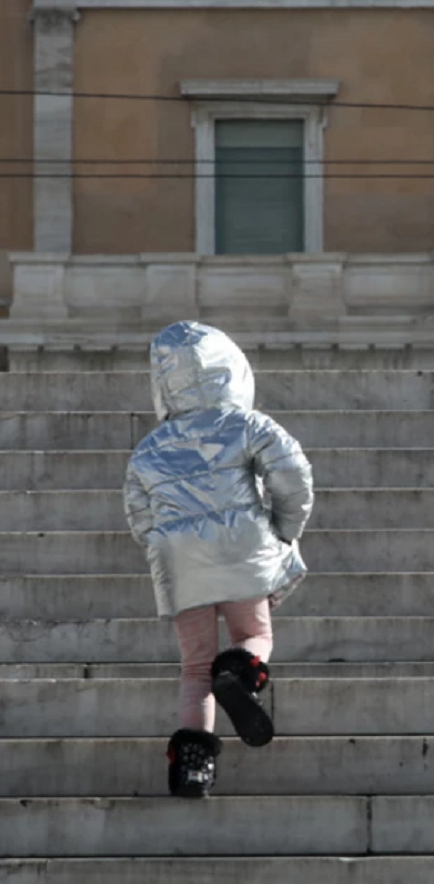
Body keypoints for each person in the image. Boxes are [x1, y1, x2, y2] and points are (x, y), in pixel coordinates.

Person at [124, 321, 314, 798]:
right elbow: (293, 475)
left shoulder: (149, 447)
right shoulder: (246, 425)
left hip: (178, 561)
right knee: (253, 632)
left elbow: (138, 515)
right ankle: (242, 670)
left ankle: (193, 765)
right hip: (241, 545)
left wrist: (164, 548)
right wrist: (284, 531)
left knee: (194, 669)